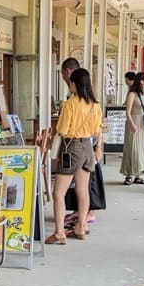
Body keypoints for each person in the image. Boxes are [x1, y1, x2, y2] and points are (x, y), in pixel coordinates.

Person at [47, 68, 101, 244]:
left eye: (71, 82)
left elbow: (62, 130)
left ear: (75, 84)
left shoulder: (69, 104)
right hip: (87, 147)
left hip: (71, 147)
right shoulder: (95, 105)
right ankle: (81, 226)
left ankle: (59, 232)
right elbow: (95, 130)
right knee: (83, 190)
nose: (70, 85)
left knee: (58, 193)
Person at [121, 72, 144, 185]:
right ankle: (128, 174)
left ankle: (138, 175)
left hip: (143, 123)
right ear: (141, 80)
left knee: (142, 148)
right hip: (134, 121)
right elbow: (127, 111)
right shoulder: (132, 94)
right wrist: (131, 123)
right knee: (133, 148)